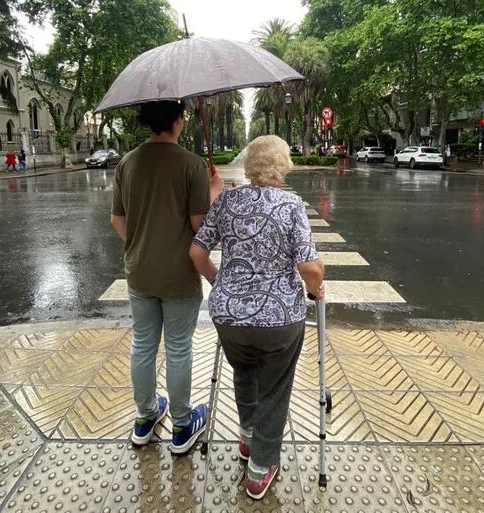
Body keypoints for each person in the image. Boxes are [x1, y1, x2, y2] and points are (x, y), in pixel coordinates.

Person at [189, 135, 325, 500]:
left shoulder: (228, 201)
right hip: (279, 318)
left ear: (249, 165)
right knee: (275, 388)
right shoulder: (292, 205)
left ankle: (248, 435)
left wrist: (219, 282)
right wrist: (316, 287)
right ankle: (260, 467)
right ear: (283, 165)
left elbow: (196, 252)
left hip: (228, 315)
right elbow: (309, 266)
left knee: (244, 371)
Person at [110, 100, 224, 455]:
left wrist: (142, 246)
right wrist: (215, 191)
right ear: (178, 121)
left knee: (143, 344)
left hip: (139, 272)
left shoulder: (127, 163)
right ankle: (181, 425)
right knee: (178, 348)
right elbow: (198, 226)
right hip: (179, 275)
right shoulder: (191, 164)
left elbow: (117, 220)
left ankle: (144, 418)